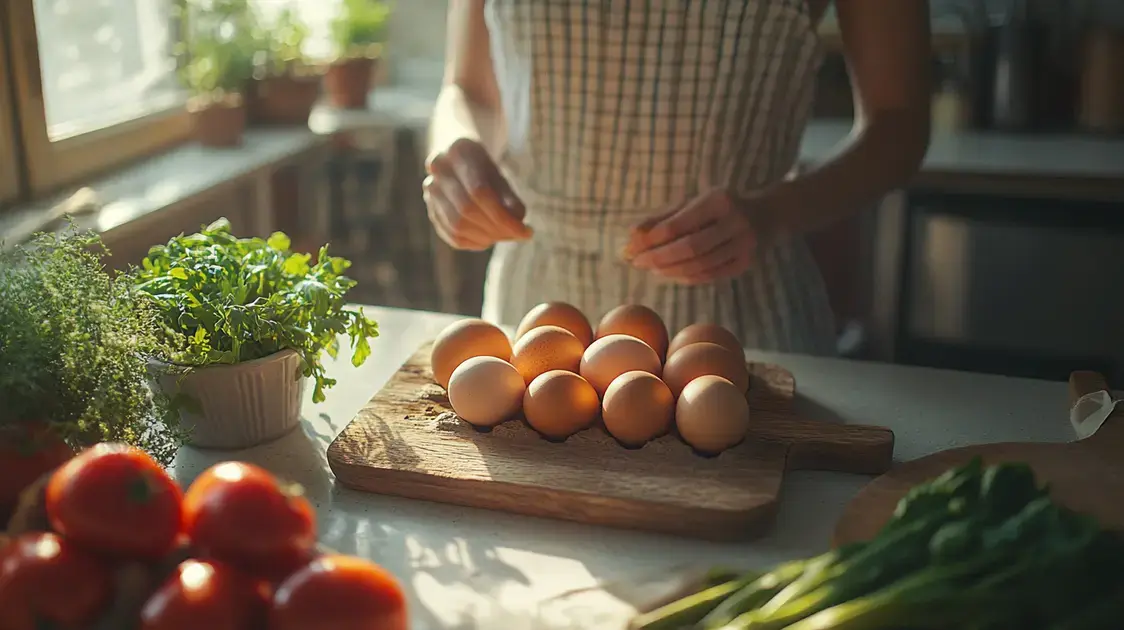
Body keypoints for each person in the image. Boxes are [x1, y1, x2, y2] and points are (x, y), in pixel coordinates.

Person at [423, 1, 931, 356]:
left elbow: (900, 125)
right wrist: (454, 152)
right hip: (536, 308)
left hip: (738, 318)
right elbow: (468, 89)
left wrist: (773, 214)